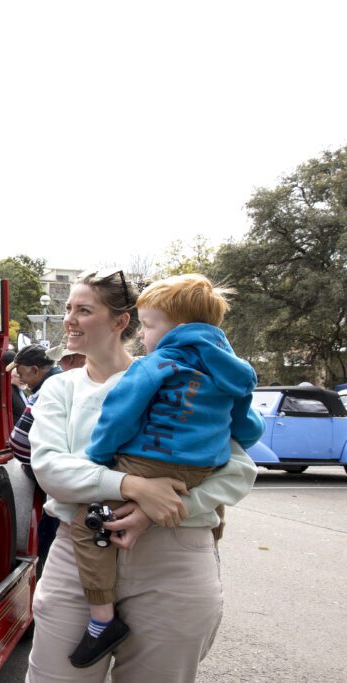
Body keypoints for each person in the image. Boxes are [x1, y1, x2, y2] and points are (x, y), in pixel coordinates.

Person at [26, 269, 258, 682]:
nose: (69, 320)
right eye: (67, 309)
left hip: (173, 554)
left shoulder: (180, 376)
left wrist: (166, 507)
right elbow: (50, 469)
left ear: (122, 321)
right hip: (80, 556)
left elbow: (238, 468)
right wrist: (133, 487)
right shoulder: (61, 388)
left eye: (83, 310)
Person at [6, 344, 62, 568]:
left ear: (37, 370)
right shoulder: (53, 384)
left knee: (50, 525)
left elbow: (21, 436)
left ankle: (43, 568)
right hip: (48, 470)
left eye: (22, 372)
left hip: (51, 472)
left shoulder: (50, 388)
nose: (20, 377)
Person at [2, 349, 28, 428]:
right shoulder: (9, 392)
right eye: (20, 376)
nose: (23, 380)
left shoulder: (21, 391)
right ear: (12, 376)